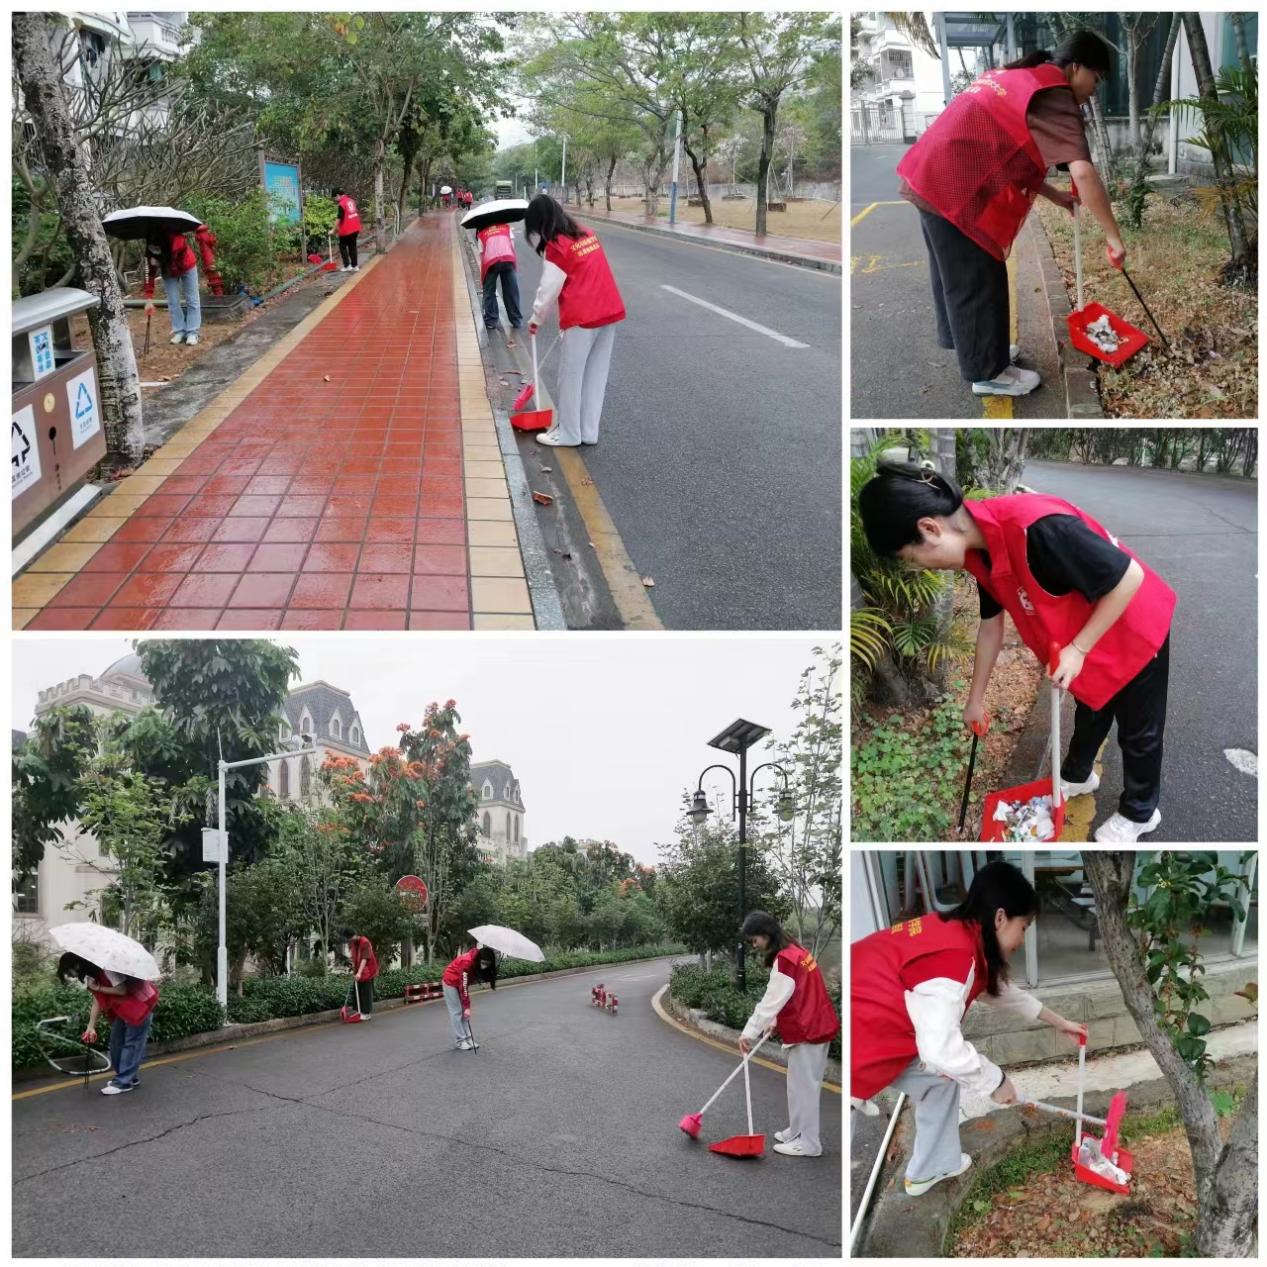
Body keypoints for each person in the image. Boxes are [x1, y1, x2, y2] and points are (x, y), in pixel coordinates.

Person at [858, 462, 1175, 841]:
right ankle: (1077, 775)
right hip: (1085, 636)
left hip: (1132, 627)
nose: (920, 566)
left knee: (1139, 732)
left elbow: (1129, 579)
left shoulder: (1037, 527)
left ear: (930, 528)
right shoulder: (980, 551)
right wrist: (974, 701)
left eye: (912, 557)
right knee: (1092, 709)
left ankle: (1140, 812)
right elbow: (991, 627)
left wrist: (1077, 648)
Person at [897, 30, 1126, 398]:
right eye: (1096, 78)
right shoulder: (1054, 94)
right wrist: (1114, 239)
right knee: (976, 277)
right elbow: (1083, 172)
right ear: (1077, 66)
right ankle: (987, 373)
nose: (1095, 89)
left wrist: (1054, 196)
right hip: (955, 187)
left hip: (934, 175)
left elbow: (1008, 154)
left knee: (953, 272)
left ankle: (980, 349)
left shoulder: (1022, 76)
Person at [852, 861, 1089, 1195]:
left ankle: (932, 1168)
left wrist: (1059, 1022)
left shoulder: (959, 934)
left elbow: (1000, 991)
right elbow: (942, 1049)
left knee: (941, 1079)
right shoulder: (954, 958)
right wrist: (996, 1081)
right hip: (861, 1031)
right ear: (1001, 918)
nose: (1023, 940)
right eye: (1025, 927)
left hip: (879, 1026)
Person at [523, 194, 626, 448]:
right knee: (595, 375)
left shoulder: (557, 246)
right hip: (608, 310)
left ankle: (568, 433)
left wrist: (536, 319)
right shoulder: (585, 233)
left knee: (570, 376)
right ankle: (588, 432)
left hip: (583, 317)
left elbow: (548, 289)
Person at [737, 912, 839, 1159]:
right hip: (814, 1023)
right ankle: (796, 1131)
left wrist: (749, 1032)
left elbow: (771, 999)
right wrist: (775, 1021)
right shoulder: (796, 950)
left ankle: (810, 1144)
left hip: (808, 1030)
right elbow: (794, 993)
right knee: (797, 1086)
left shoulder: (785, 960)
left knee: (805, 1088)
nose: (755, 945)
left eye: (755, 940)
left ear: (766, 934)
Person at [56, 951, 160, 1096]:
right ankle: (130, 1077)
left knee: (132, 1044)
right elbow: (97, 1000)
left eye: (69, 971)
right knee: (116, 1044)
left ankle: (123, 1082)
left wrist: (98, 988)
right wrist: (90, 1027)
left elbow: (121, 990)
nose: (71, 975)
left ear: (77, 964)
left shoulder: (108, 967)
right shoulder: (94, 973)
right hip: (123, 1009)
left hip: (139, 1006)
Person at [143, 222, 221, 347]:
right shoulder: (150, 249)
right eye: (153, 249)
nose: (155, 250)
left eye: (158, 249)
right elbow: (150, 274)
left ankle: (192, 332)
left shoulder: (176, 239)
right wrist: (148, 298)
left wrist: (164, 260)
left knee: (192, 299)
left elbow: (174, 258)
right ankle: (179, 331)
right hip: (168, 270)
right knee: (173, 301)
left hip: (187, 266)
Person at [476, 217, 523, 345]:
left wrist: (484, 278)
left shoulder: (482, 233)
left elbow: (482, 255)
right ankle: (516, 320)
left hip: (491, 263)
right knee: (511, 291)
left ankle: (491, 321)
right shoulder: (506, 228)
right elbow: (512, 246)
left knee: (489, 291)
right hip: (508, 259)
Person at [441, 944, 497, 1050]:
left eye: (488, 964)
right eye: (484, 963)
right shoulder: (467, 962)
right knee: (457, 1012)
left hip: (460, 982)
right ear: (480, 959)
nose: (485, 966)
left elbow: (468, 982)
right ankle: (460, 1040)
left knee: (465, 1014)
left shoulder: (477, 961)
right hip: (450, 981)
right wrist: (467, 1007)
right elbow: (464, 986)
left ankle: (468, 1038)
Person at [342, 929, 378, 1019]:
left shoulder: (365, 942)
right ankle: (359, 1011)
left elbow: (364, 959)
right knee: (357, 989)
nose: (349, 940)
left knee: (366, 991)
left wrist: (359, 972)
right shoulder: (353, 943)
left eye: (350, 938)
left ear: (354, 935)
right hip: (358, 969)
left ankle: (366, 1013)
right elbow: (354, 957)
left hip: (367, 969)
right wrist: (355, 970)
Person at [333, 188, 362, 272]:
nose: (335, 200)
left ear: (338, 195)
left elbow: (339, 218)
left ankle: (347, 266)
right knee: (352, 246)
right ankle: (355, 266)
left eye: (335, 198)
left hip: (347, 229)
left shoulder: (341, 204)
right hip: (355, 227)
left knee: (342, 246)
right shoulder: (351, 200)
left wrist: (333, 230)